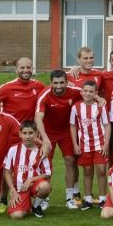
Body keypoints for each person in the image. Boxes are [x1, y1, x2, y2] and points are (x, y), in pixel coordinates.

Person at [35, 70, 84, 209]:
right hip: (48, 132)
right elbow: (38, 118)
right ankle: (45, 198)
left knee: (70, 161)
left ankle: (70, 197)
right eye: (55, 83)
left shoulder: (75, 91)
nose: (58, 86)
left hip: (67, 131)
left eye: (61, 82)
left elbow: (89, 92)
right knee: (46, 164)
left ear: (67, 83)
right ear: (51, 83)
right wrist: (44, 139)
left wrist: (99, 99)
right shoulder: (44, 94)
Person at [69, 79, 111, 210]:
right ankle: (87, 199)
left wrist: (106, 144)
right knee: (87, 171)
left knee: (102, 170)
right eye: (85, 91)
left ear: (95, 93)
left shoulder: (100, 106)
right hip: (84, 144)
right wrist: (75, 144)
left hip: (100, 144)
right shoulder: (76, 107)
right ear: (81, 92)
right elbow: (73, 125)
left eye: (91, 91)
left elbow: (107, 125)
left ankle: (103, 199)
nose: (88, 93)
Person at [2, 121, 52, 219]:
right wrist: (12, 190)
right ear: (20, 134)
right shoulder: (13, 150)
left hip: (34, 185)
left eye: (30, 133)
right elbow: (7, 172)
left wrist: (31, 179)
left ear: (36, 133)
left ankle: (36, 206)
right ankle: (26, 204)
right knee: (17, 216)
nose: (27, 136)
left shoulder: (41, 151)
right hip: (20, 188)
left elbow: (47, 173)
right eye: (24, 133)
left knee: (45, 186)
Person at [0, 57, 47, 123]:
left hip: (31, 130)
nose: (25, 70)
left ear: (32, 69)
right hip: (12, 129)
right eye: (22, 68)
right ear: (16, 70)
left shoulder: (39, 86)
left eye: (28, 67)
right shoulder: (6, 88)